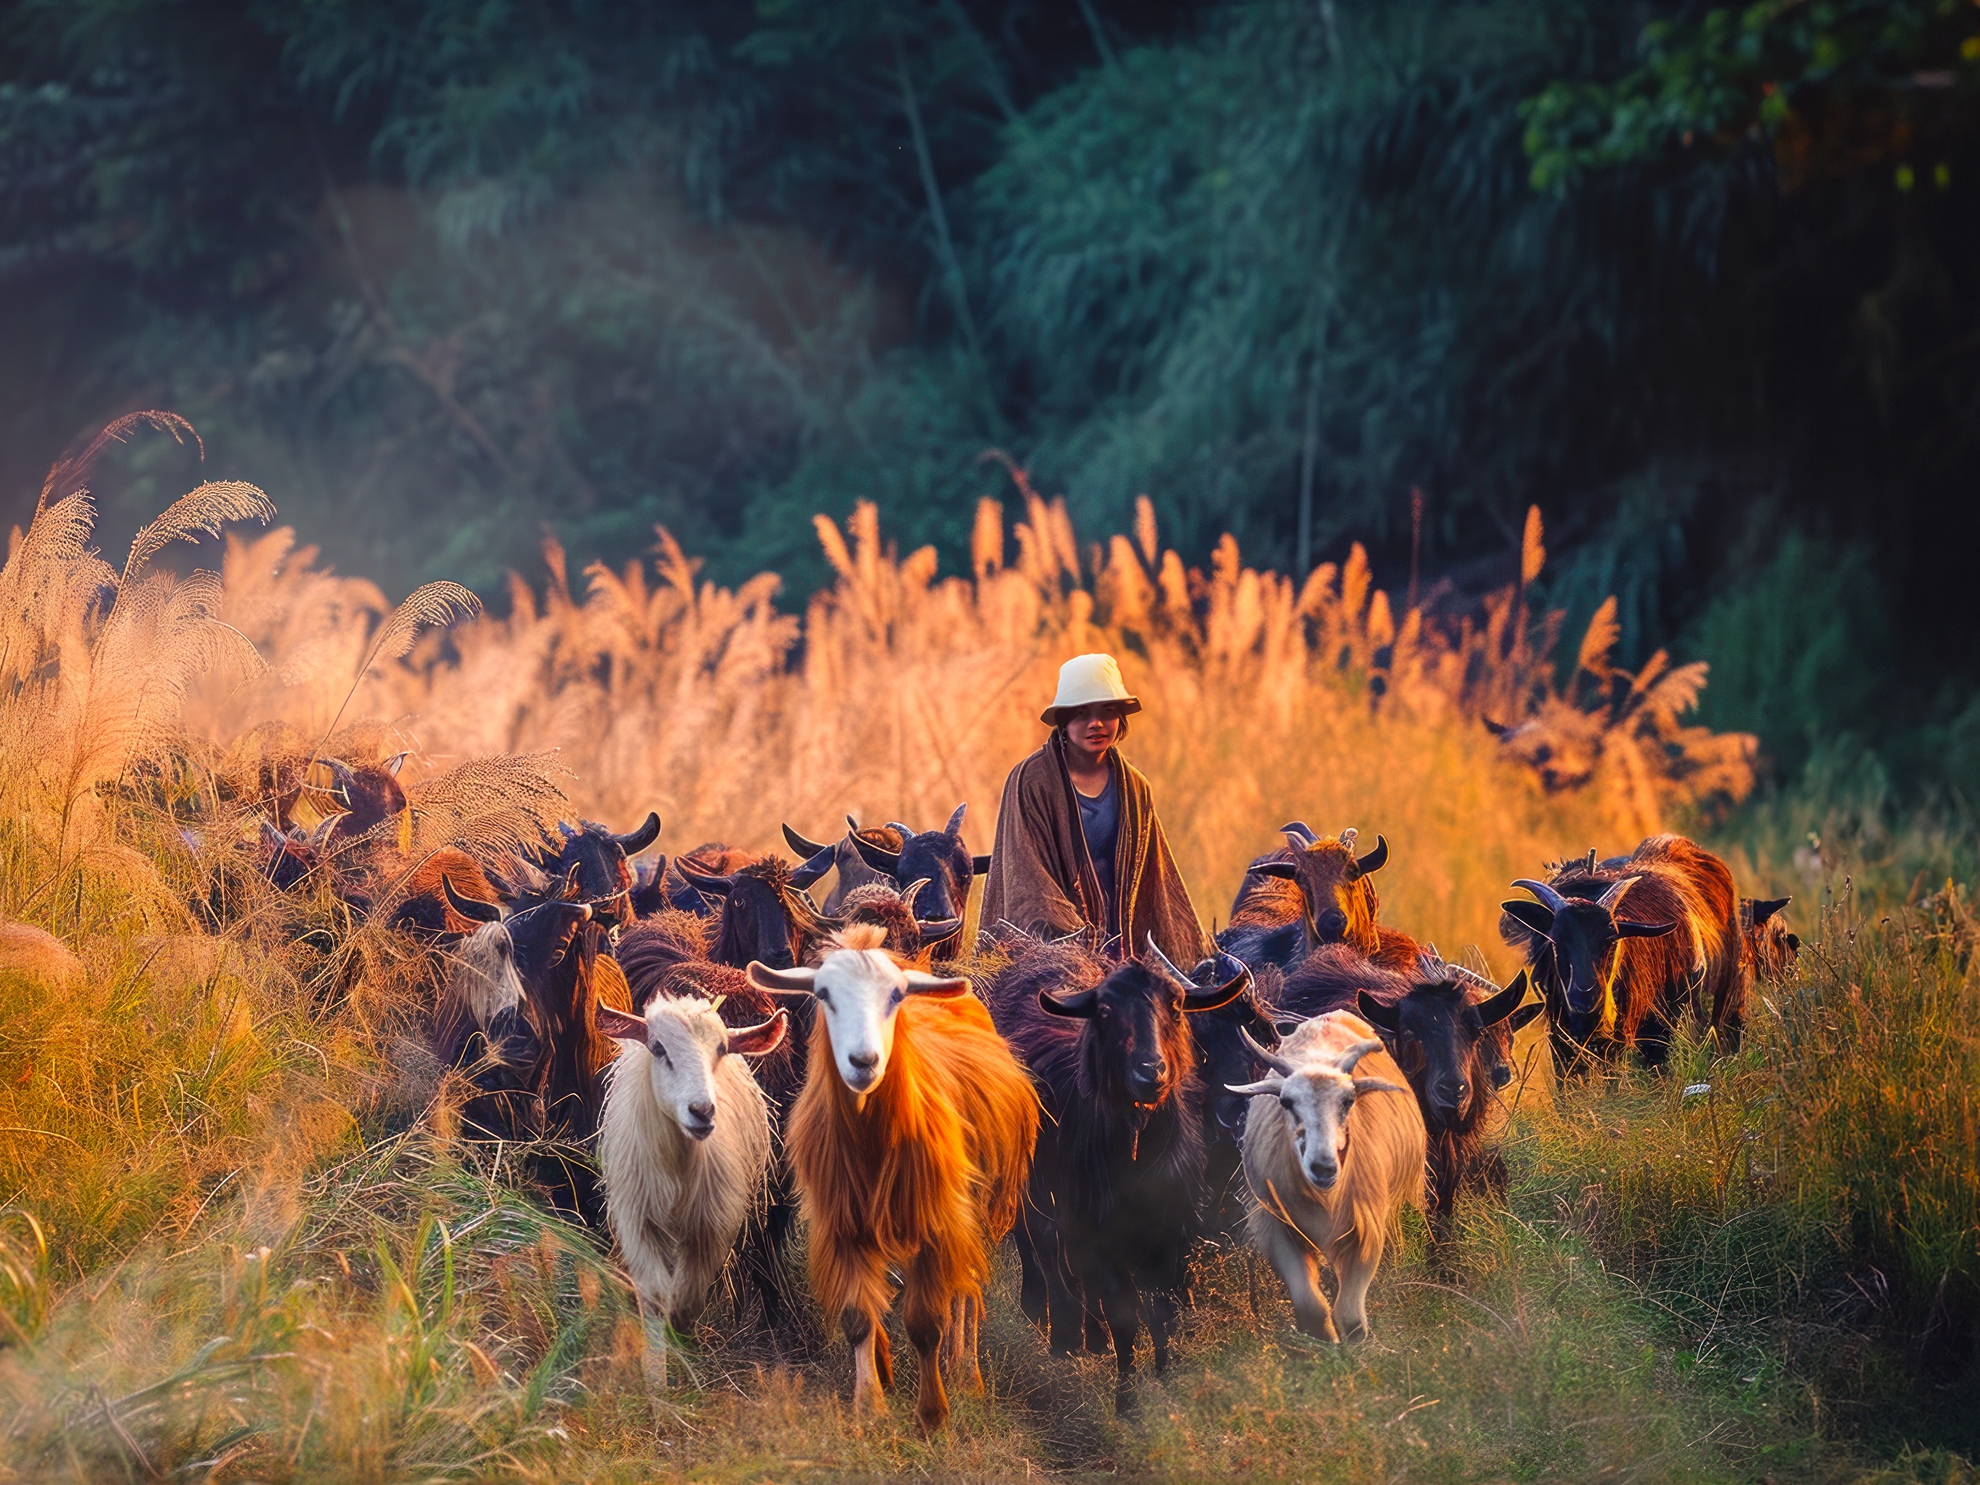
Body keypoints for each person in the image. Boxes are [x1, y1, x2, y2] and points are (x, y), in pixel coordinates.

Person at [983, 653, 1208, 964]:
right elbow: (1027, 880)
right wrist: (1075, 943)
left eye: (1108, 710)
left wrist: (1183, 950)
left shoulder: (1135, 788)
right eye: (1081, 713)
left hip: (1124, 945)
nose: (1096, 723)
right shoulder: (1031, 781)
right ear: (1063, 720)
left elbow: (1157, 880)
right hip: (1054, 950)